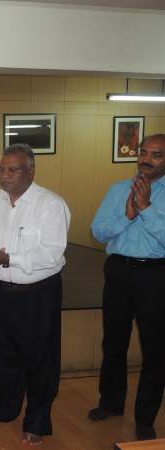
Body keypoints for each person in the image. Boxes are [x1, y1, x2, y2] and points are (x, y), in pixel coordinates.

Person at [0, 143, 70, 446]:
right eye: (2, 169)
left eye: (13, 170)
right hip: (4, 292)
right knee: (4, 354)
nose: (5, 176)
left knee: (40, 359)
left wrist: (8, 258)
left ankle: (37, 421)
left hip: (39, 294)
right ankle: (6, 409)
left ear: (31, 171)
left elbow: (51, 253)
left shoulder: (50, 204)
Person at [88, 134, 165, 442]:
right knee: (113, 343)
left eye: (156, 154)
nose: (146, 159)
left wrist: (146, 208)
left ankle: (145, 418)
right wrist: (126, 215)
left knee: (155, 349)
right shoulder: (118, 189)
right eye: (143, 152)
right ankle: (110, 402)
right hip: (118, 271)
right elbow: (98, 231)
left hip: (156, 275)